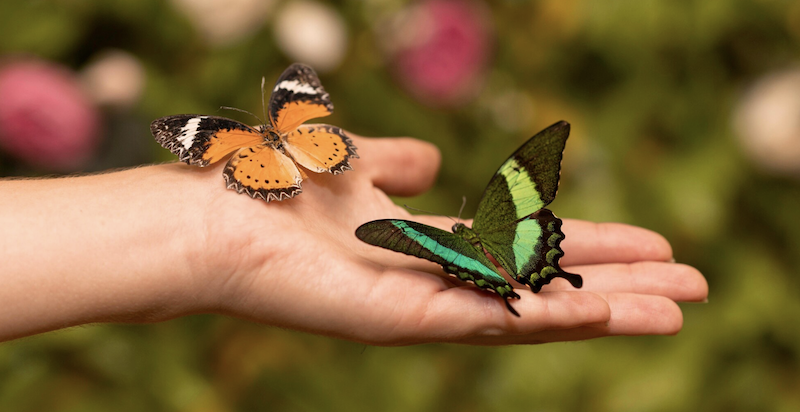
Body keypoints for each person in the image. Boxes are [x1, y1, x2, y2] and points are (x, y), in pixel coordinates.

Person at [0, 134, 707, 344]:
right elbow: (488, 206)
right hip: (507, 249)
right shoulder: (481, 216)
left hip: (474, 260)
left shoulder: (430, 238)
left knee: (489, 253)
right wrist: (202, 226)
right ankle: (517, 271)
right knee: (513, 235)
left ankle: (501, 277)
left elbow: (411, 236)